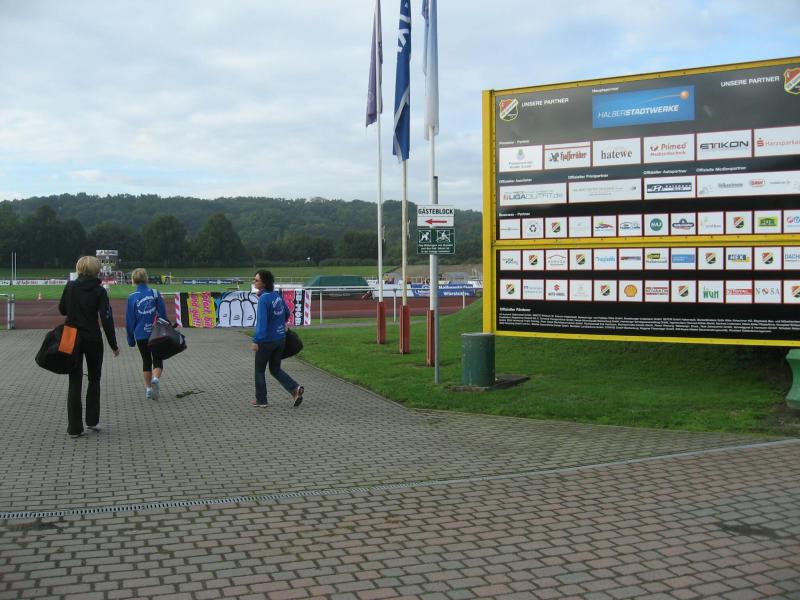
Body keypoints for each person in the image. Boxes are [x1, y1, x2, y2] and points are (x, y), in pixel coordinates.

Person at [58, 256, 120, 438]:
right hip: (92, 336)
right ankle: (92, 420)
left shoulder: (70, 286)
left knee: (74, 379)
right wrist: (113, 345)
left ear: (79, 268)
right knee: (94, 378)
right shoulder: (100, 291)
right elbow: (106, 318)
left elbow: (62, 310)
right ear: (96, 270)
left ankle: (74, 428)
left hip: (70, 335)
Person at [251, 269, 304, 408]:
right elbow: (286, 313)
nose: (254, 282)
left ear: (264, 283)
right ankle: (295, 389)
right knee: (275, 369)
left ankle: (261, 400)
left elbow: (262, 322)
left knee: (259, 371)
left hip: (266, 341)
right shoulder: (276, 296)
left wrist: (256, 340)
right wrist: (278, 323)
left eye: (256, 280)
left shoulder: (263, 299)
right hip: (280, 339)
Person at [125, 268, 167, 401]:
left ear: (133, 280)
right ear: (146, 278)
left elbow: (130, 321)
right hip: (156, 333)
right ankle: (156, 378)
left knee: (146, 360)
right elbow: (163, 314)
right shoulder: (155, 293)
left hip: (140, 334)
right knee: (157, 359)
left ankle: (148, 389)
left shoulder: (132, 297)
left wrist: (130, 339)